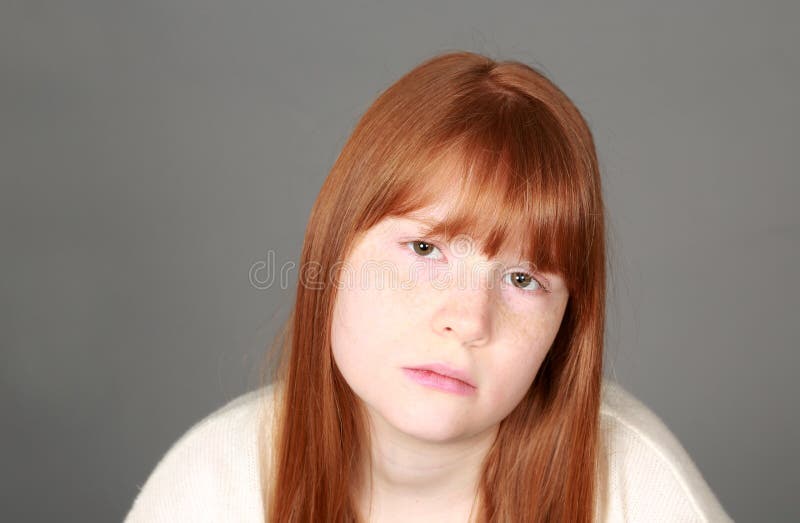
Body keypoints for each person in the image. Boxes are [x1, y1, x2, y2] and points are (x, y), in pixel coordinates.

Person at [125, 51, 733, 522]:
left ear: (566, 325)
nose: (469, 320)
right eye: (424, 249)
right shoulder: (212, 484)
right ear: (333, 253)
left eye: (523, 279)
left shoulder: (640, 491)